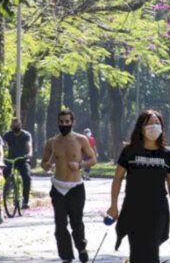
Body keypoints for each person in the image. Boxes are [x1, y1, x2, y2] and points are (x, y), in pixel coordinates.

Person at [108, 110, 170, 262]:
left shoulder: (167, 154)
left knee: (152, 251)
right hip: (133, 209)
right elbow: (118, 179)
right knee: (137, 251)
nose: (154, 126)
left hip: (158, 210)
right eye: (149, 123)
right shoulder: (129, 152)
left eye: (157, 123)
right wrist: (113, 205)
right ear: (141, 127)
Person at [41, 109, 97, 263]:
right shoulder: (52, 142)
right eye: (61, 122)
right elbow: (44, 162)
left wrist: (80, 164)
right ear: (58, 123)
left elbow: (93, 159)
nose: (64, 124)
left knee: (76, 223)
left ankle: (81, 247)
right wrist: (46, 165)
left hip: (76, 188)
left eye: (67, 121)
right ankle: (66, 256)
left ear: (73, 122)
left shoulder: (81, 140)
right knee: (60, 225)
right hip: (58, 187)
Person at [3, 117, 33, 209]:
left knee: (27, 177)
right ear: (11, 126)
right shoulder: (8, 135)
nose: (16, 126)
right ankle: (10, 184)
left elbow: (29, 145)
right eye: (14, 124)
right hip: (11, 159)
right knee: (6, 171)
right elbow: (2, 145)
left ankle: (25, 200)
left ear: (21, 125)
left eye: (18, 124)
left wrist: (29, 154)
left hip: (22, 159)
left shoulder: (26, 135)